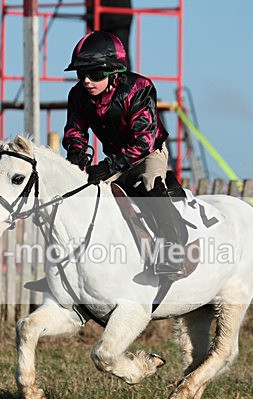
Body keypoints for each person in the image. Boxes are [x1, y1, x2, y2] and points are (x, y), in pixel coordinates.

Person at [62, 30, 185, 276]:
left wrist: (109, 166)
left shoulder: (139, 88)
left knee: (150, 184)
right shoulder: (78, 94)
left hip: (148, 154)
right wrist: (77, 155)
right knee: (78, 193)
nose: (86, 81)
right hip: (115, 156)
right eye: (81, 74)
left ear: (113, 74)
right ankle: (68, 265)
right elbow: (75, 131)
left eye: (94, 74)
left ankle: (173, 254)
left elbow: (144, 141)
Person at [81, 0, 132, 70]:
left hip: (118, 18)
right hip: (102, 19)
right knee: (97, 56)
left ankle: (123, 79)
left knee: (120, 54)